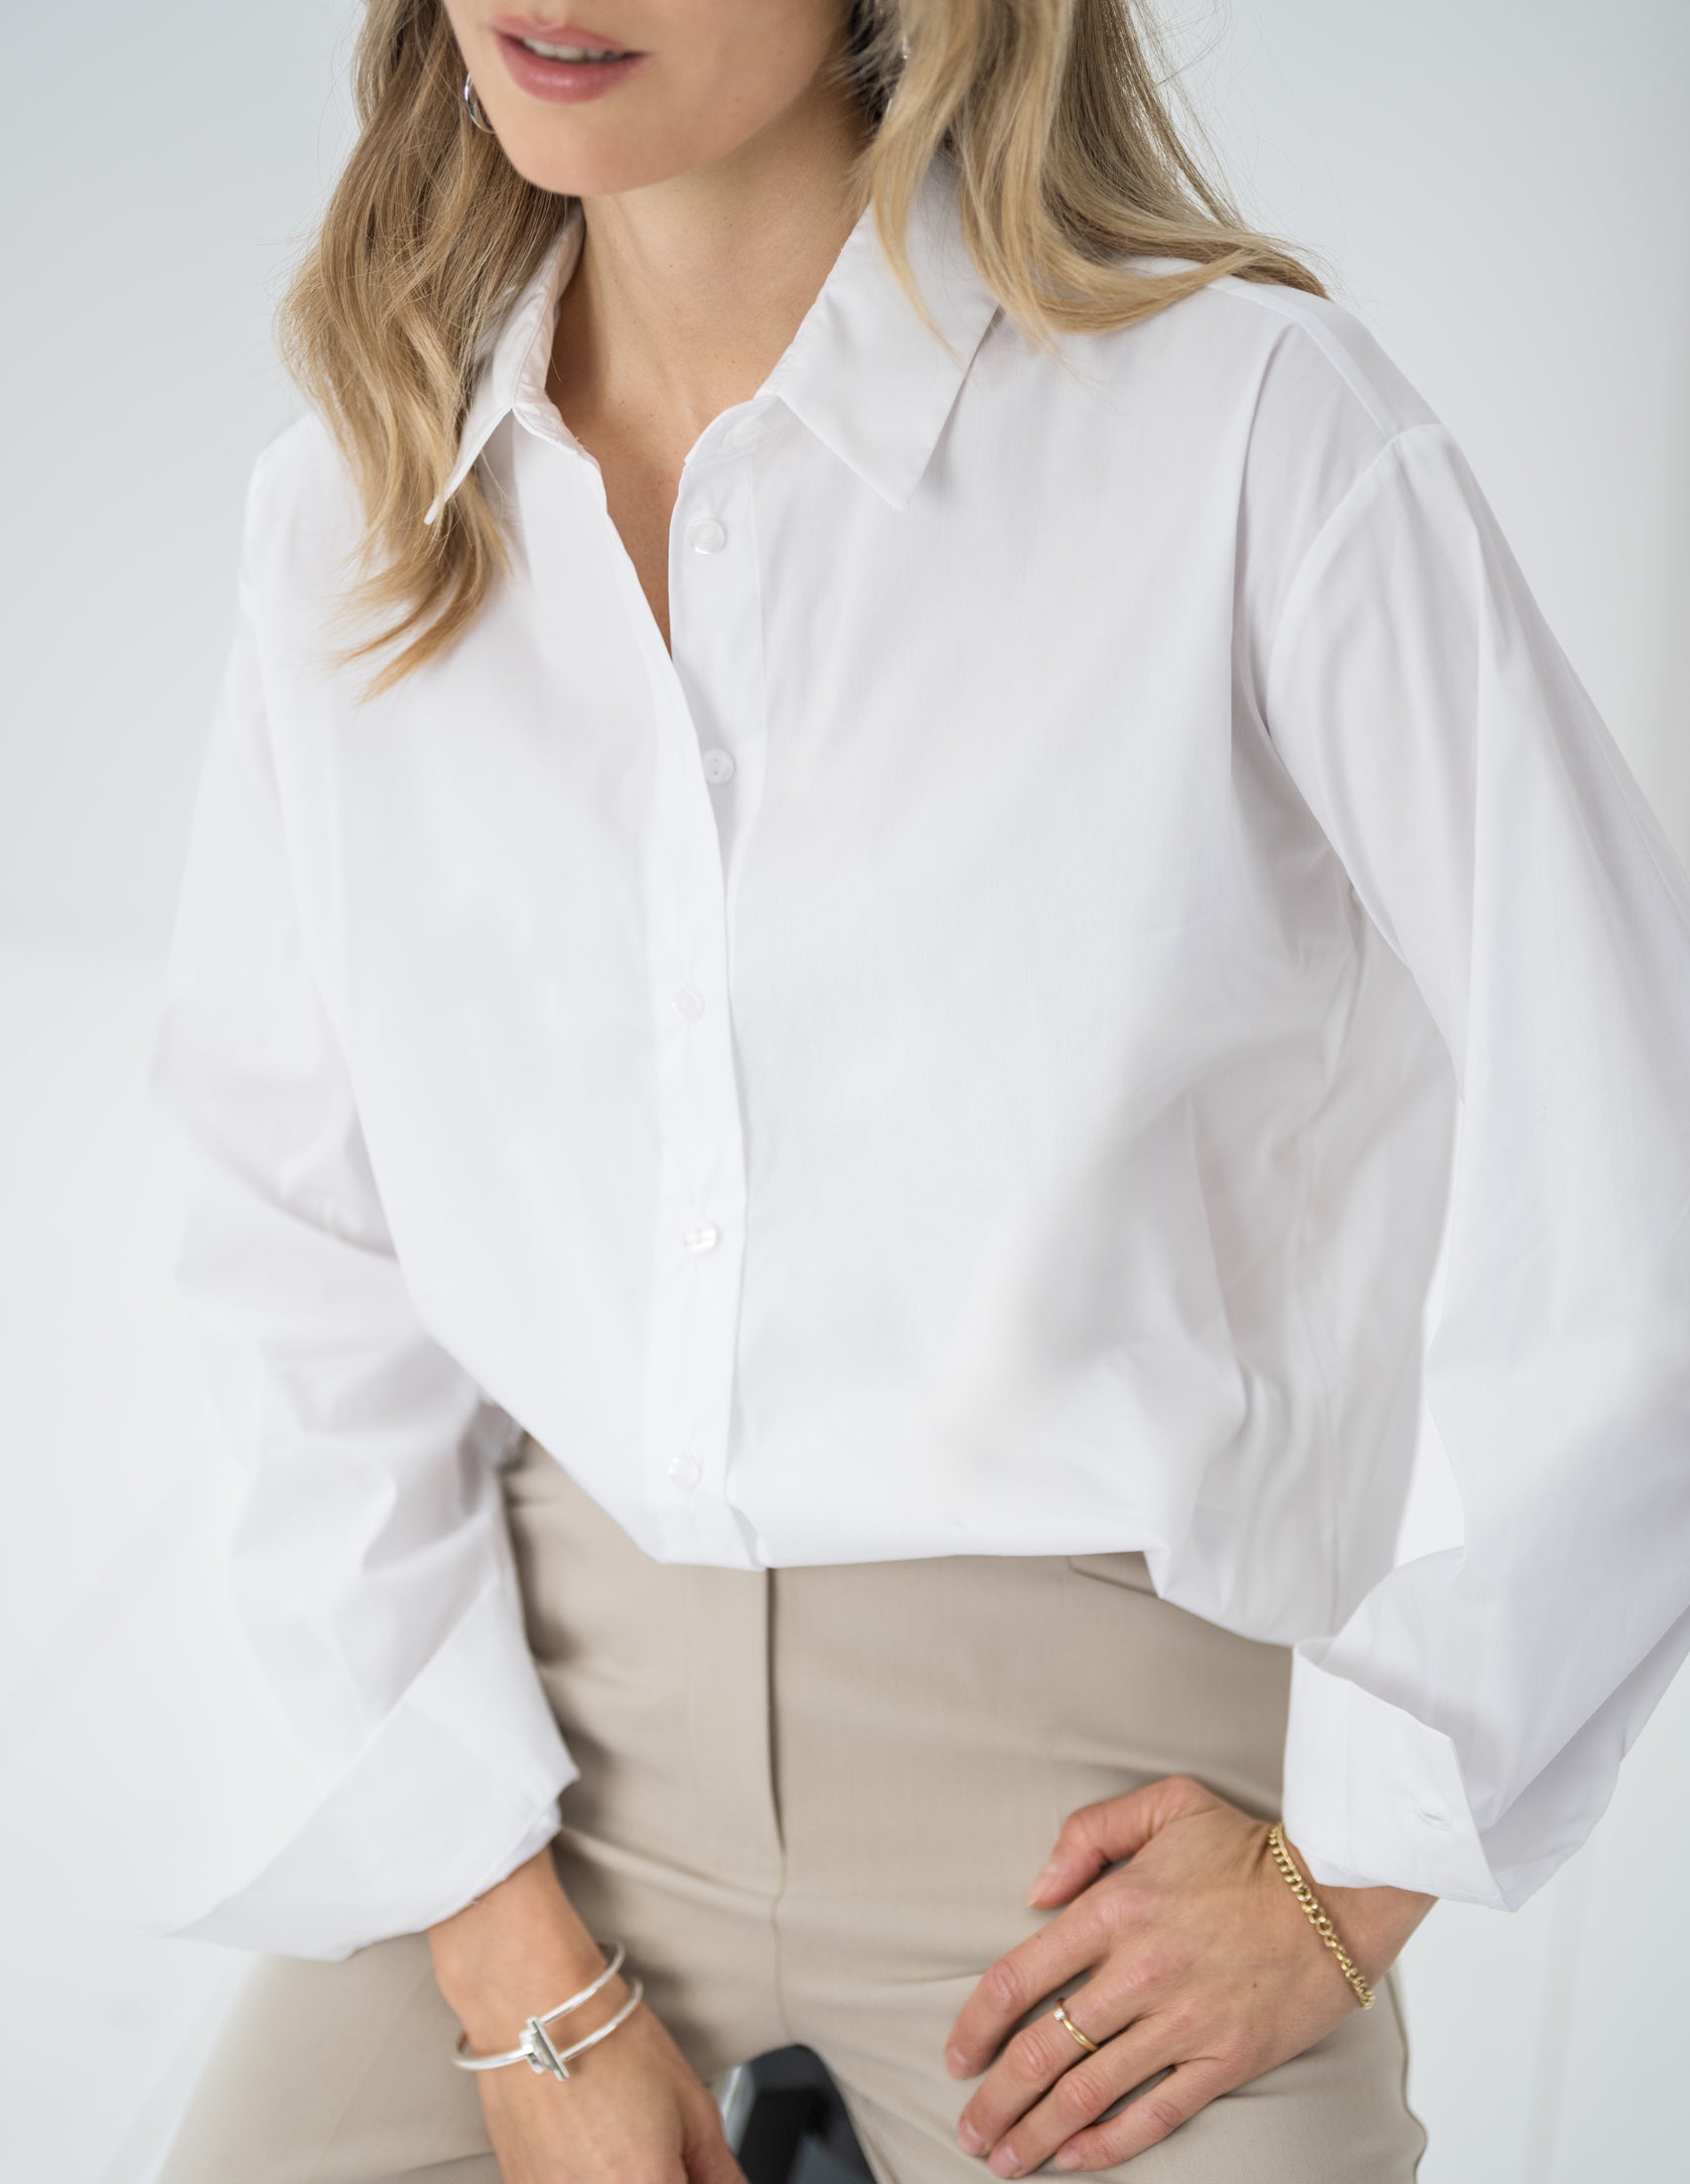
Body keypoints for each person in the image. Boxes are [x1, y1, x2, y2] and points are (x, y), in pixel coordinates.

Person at [143, 3, 1690, 2180]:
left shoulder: (1248, 435)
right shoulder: (357, 496)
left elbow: (1636, 1142)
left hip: (1091, 1799)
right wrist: (505, 1957)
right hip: (533, 1758)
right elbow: (286, 1244)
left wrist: (1353, 1867)